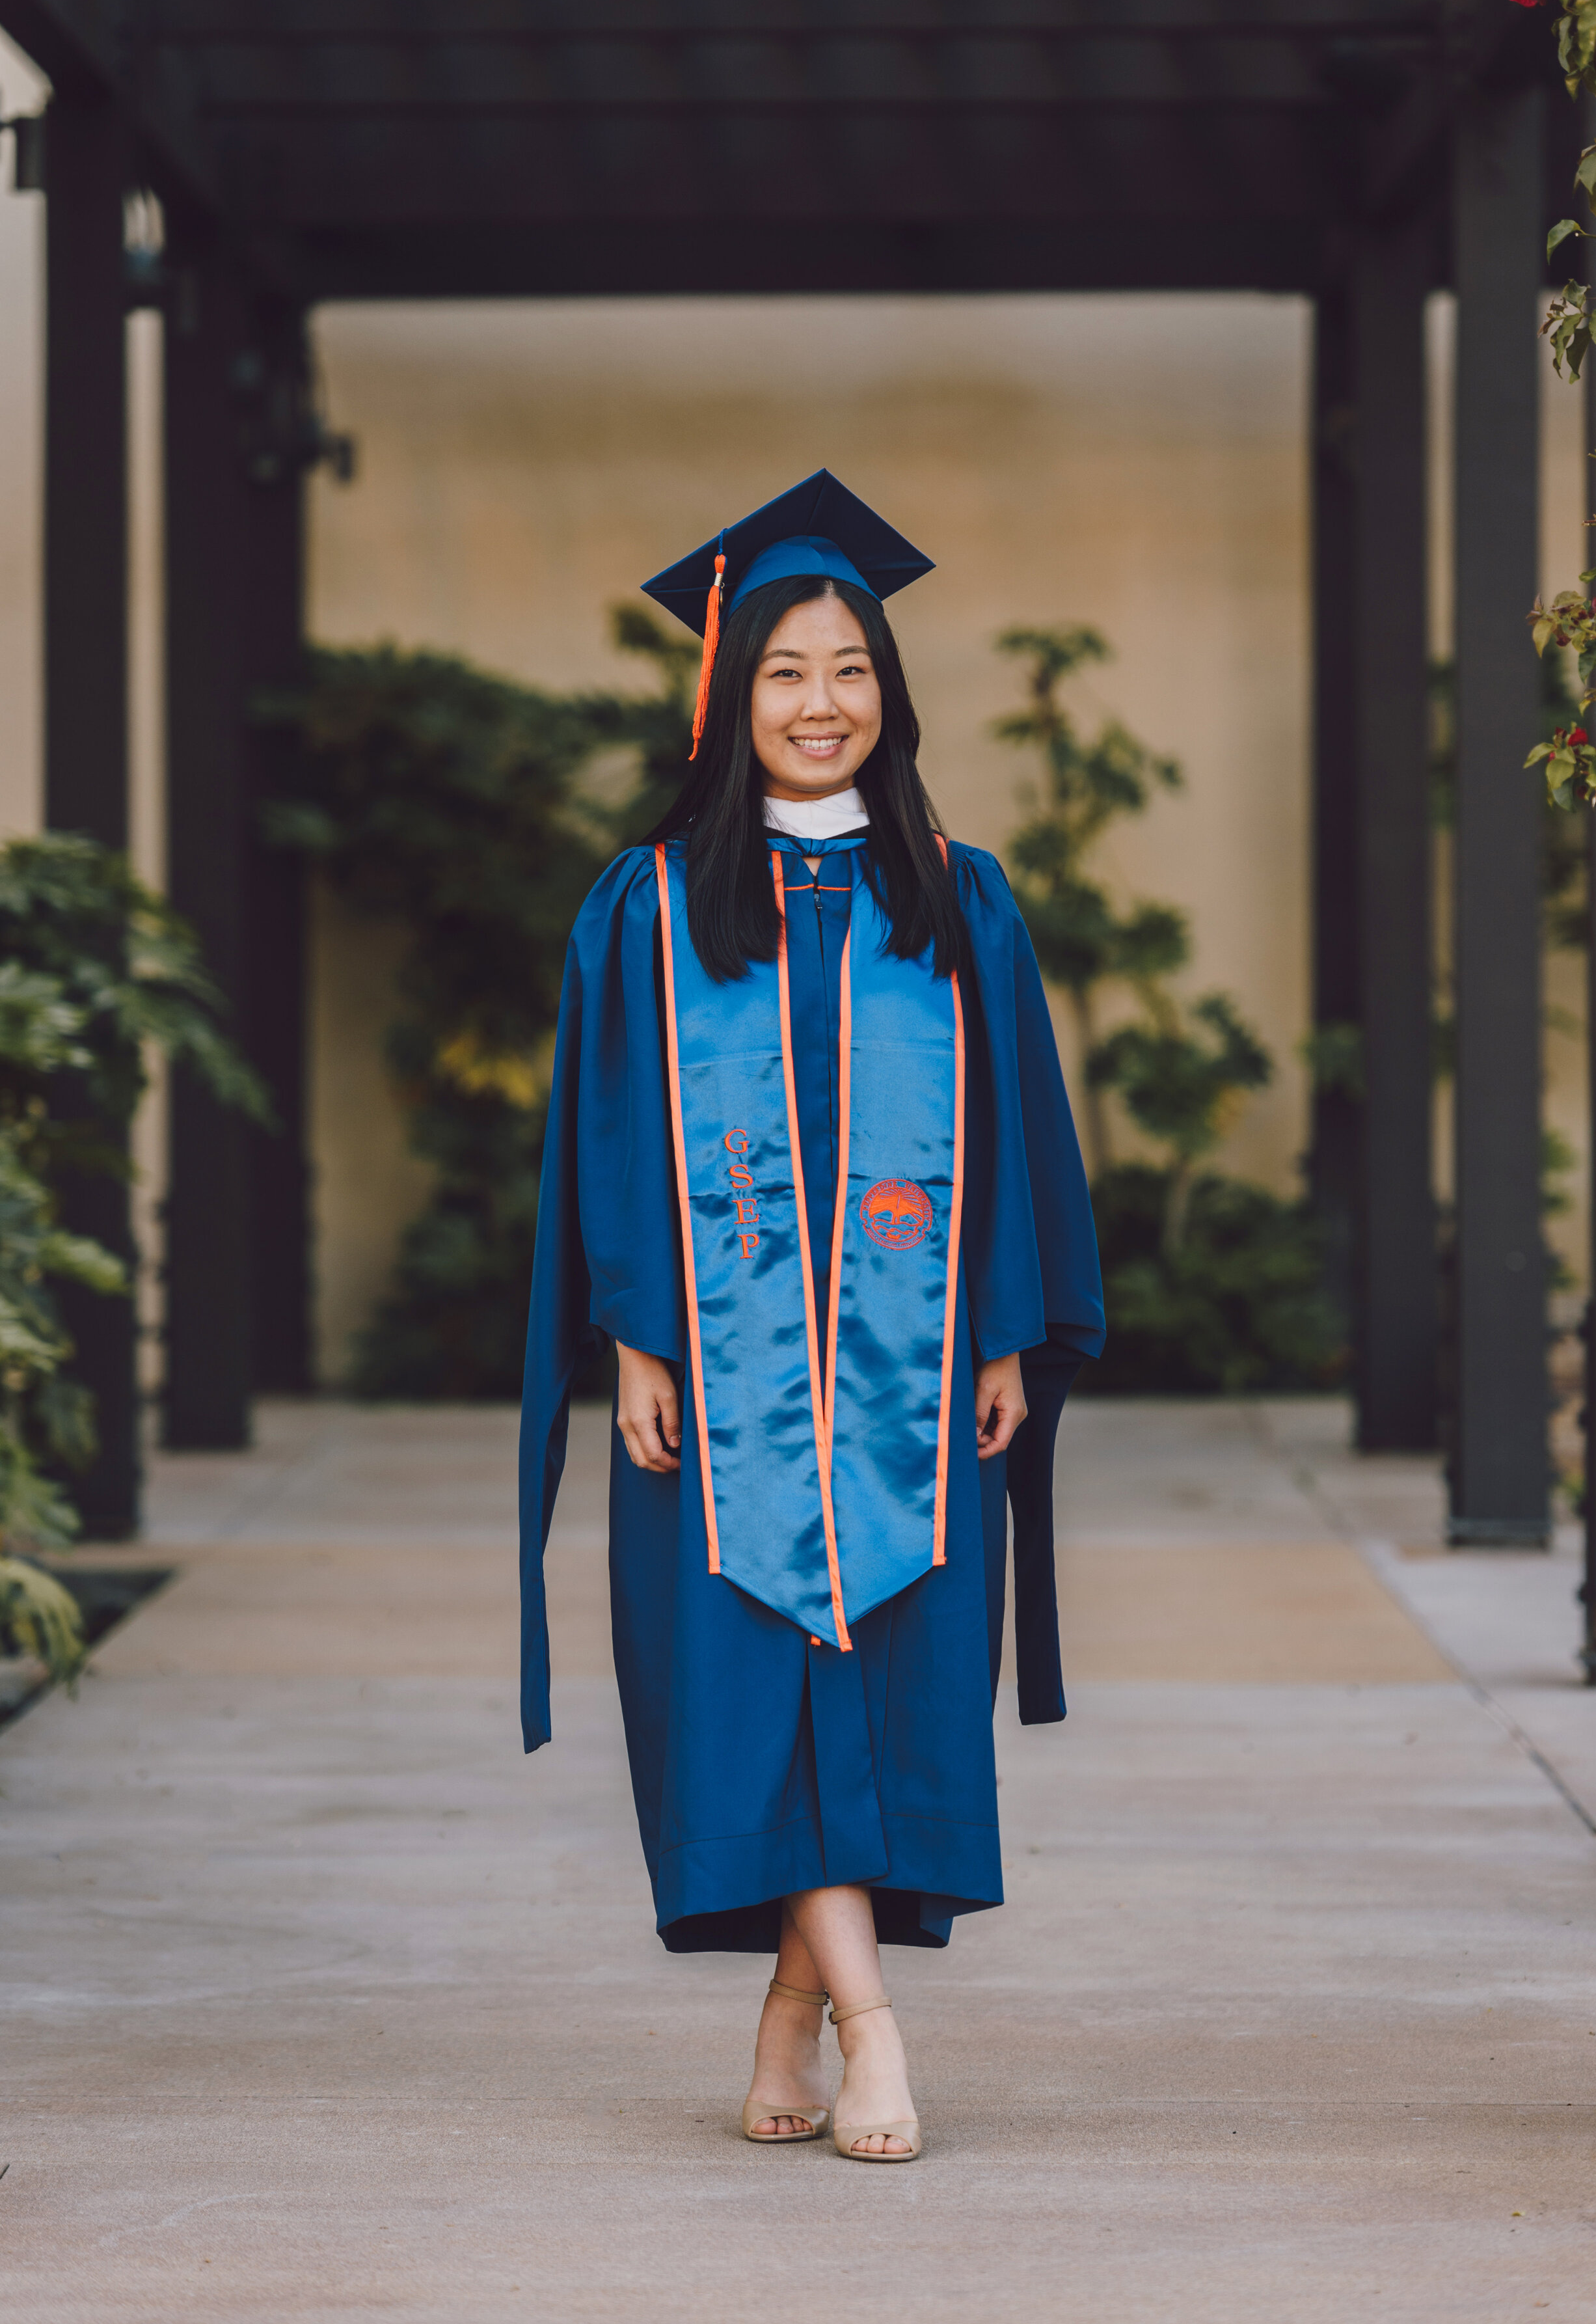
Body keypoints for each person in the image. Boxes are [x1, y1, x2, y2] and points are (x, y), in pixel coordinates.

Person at [519, 470, 1104, 2161]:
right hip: (708, 1401)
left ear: (888, 694)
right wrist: (631, 1328)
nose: (821, 702)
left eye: (849, 668)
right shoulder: (646, 907)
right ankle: (871, 2024)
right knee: (746, 1686)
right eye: (784, 670)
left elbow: (1015, 1137)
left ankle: (791, 2009)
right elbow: (607, 1138)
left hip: (913, 1410)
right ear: (727, 697)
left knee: (857, 1697)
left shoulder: (953, 894)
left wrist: (1000, 1329)